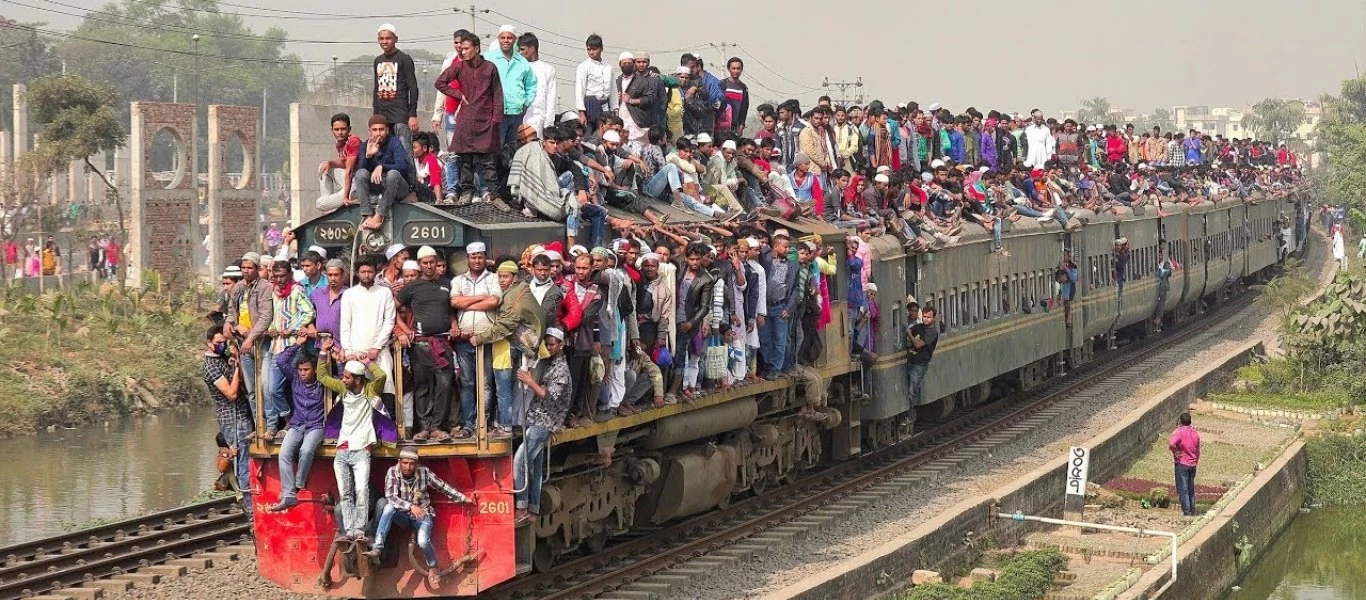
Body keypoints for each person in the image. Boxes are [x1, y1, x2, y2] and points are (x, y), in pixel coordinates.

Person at [319, 337, 395, 540]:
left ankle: (359, 530)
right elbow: (323, 377)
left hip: (362, 449)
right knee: (345, 493)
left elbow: (381, 375)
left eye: (346, 377)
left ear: (358, 379)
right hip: (343, 449)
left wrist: (366, 361)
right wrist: (323, 353)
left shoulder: (370, 389)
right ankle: (350, 530)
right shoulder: (343, 389)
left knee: (361, 491)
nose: (342, 380)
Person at [367, 447, 472, 587]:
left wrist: (463, 498)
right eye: (405, 463)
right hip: (403, 515)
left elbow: (442, 487)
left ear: (416, 464)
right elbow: (391, 497)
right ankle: (378, 548)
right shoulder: (392, 471)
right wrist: (410, 507)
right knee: (388, 507)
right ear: (399, 462)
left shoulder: (424, 472)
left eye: (411, 464)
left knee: (423, 542)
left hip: (423, 514)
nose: (408, 467)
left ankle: (433, 566)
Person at [436, 30, 504, 206]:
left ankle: (494, 195)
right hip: (465, 119)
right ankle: (466, 192)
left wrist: (496, 118)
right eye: (461, 48)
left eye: (466, 48)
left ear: (477, 48)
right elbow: (440, 83)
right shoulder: (459, 67)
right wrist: (457, 93)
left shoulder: (489, 68)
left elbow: (497, 94)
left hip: (486, 119)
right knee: (465, 160)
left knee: (488, 161)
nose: (463, 51)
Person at [396, 246, 456, 441]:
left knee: (445, 384)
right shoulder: (411, 287)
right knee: (422, 386)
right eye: (425, 263)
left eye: (432, 262)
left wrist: (454, 324)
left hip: (442, 341)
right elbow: (392, 309)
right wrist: (404, 330)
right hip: (420, 344)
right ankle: (423, 428)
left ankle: (438, 427)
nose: (429, 266)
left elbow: (451, 310)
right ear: (420, 265)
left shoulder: (447, 284)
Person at [514, 328, 571, 524]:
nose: (548, 347)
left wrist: (529, 381)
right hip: (536, 418)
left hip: (546, 421)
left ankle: (521, 507)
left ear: (561, 345)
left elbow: (549, 395)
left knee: (520, 461)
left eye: (552, 344)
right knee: (536, 467)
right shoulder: (547, 363)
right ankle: (533, 509)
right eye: (546, 344)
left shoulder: (561, 368)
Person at [267, 335, 327, 512]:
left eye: (306, 370)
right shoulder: (294, 377)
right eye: (300, 369)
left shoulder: (322, 381)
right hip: (297, 423)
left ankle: (298, 484)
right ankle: (289, 495)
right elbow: (281, 359)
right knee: (284, 453)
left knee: (306, 450)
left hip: (316, 425)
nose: (302, 373)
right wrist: (298, 343)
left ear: (314, 370)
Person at [203, 325, 253, 518]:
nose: (222, 345)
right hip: (233, 421)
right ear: (209, 343)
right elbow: (231, 393)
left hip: (240, 417)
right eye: (218, 343)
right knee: (243, 467)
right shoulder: (211, 366)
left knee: (246, 464)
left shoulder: (221, 359)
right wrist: (239, 367)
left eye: (224, 342)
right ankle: (251, 514)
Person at [264, 260, 316, 440]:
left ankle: (300, 422)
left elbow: (309, 312)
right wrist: (271, 327)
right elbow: (274, 316)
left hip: (293, 346)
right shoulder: (274, 293)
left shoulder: (296, 291)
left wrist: (293, 327)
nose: (279, 280)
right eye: (276, 276)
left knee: (296, 387)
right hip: (277, 346)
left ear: (289, 275)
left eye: (282, 276)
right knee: (273, 389)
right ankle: (287, 419)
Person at [225, 252, 274, 424]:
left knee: (266, 386)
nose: (246, 271)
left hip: (261, 342)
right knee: (251, 388)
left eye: (249, 268)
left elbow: (266, 316)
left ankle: (271, 424)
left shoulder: (265, 286)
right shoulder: (238, 287)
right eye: (243, 268)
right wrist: (229, 323)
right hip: (243, 343)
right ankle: (258, 423)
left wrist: (250, 337)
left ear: (257, 268)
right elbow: (232, 310)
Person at [353, 114, 412, 231]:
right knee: (360, 174)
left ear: (387, 130)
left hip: (397, 186)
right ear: (369, 131)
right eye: (375, 130)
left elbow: (403, 166)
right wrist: (369, 156)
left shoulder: (394, 142)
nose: (378, 133)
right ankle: (368, 215)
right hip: (378, 185)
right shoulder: (365, 145)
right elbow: (361, 170)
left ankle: (379, 215)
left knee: (393, 174)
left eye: (381, 129)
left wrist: (382, 167)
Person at [372, 23, 420, 155]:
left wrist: (412, 114)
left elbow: (413, 87)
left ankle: (409, 177)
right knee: (385, 153)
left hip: (400, 115)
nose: (384, 41)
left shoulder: (404, 59)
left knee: (405, 153)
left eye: (388, 38)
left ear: (395, 39)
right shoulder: (378, 61)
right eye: (381, 39)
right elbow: (376, 89)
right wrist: (375, 116)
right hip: (383, 115)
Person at [518, 33, 557, 139]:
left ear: (532, 48)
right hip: (520, 117)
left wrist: (548, 125)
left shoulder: (548, 70)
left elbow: (550, 99)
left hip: (538, 118)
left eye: (522, 49)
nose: (520, 53)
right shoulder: (517, 68)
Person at [574, 33, 613, 124]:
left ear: (601, 48)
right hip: (591, 104)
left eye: (594, 49)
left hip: (606, 106)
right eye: (589, 49)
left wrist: (615, 109)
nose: (591, 52)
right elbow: (580, 90)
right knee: (592, 133)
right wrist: (581, 113)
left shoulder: (608, 67)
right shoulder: (583, 66)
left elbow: (613, 90)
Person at [1168, 412, 1201, 517]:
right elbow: (1197, 450)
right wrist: (1195, 461)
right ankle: (1192, 510)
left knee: (1183, 489)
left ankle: (1186, 512)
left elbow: (1171, 443)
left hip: (1182, 463)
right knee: (1191, 489)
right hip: (1192, 464)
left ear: (1181, 421)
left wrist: (1176, 452)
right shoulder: (1195, 433)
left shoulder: (1179, 432)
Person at [905, 305, 938, 407]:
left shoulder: (932, 333)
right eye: (924, 316)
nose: (926, 319)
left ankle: (910, 414)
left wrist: (909, 335)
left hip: (920, 365)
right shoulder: (919, 326)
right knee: (908, 389)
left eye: (929, 317)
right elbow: (910, 330)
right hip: (910, 361)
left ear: (934, 318)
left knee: (912, 390)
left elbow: (918, 344)